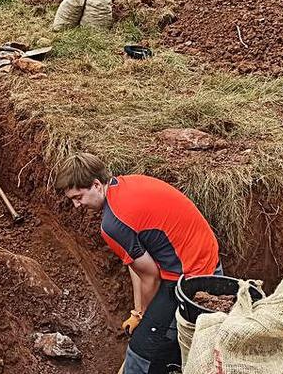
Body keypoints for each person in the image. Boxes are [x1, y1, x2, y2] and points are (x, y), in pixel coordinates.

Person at [55, 153, 222, 374]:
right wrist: (138, 312)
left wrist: (146, 321)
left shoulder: (112, 224)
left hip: (190, 280)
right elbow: (137, 267)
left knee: (139, 356)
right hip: (209, 260)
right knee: (168, 340)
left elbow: (151, 277)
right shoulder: (127, 184)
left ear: (96, 185)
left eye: (78, 197)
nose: (76, 205)